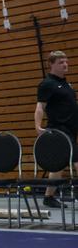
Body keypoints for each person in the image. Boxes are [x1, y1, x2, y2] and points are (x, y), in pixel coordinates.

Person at [35, 50, 78, 208]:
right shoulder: (47, 84)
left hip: (71, 129)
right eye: (61, 62)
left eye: (66, 61)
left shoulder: (66, 84)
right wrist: (37, 126)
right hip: (60, 131)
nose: (65, 64)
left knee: (58, 166)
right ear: (51, 65)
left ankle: (48, 197)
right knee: (77, 161)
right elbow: (40, 107)